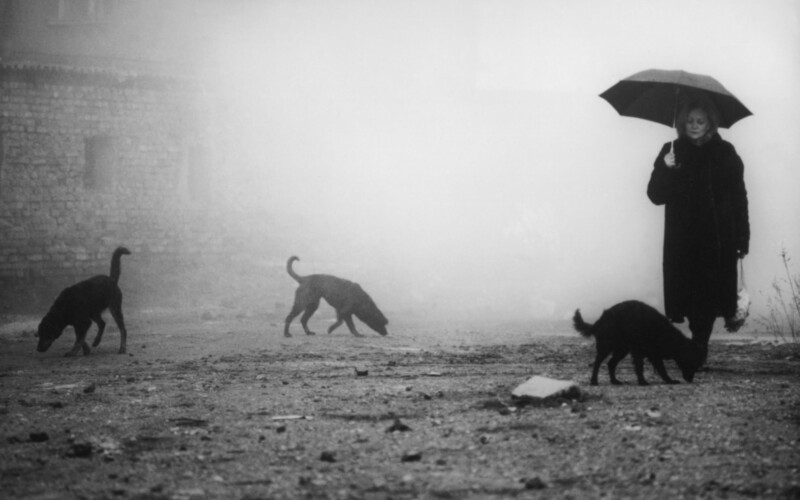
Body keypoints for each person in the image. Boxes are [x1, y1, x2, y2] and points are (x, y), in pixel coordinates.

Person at [646, 99, 750, 363]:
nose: (694, 126)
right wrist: (665, 168)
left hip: (718, 238)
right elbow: (655, 196)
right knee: (689, 293)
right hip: (683, 239)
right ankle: (697, 344)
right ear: (682, 123)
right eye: (689, 121)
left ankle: (699, 345)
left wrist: (742, 237)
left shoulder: (725, 152)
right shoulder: (671, 151)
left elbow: (739, 197)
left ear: (710, 124)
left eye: (700, 121)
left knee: (709, 295)